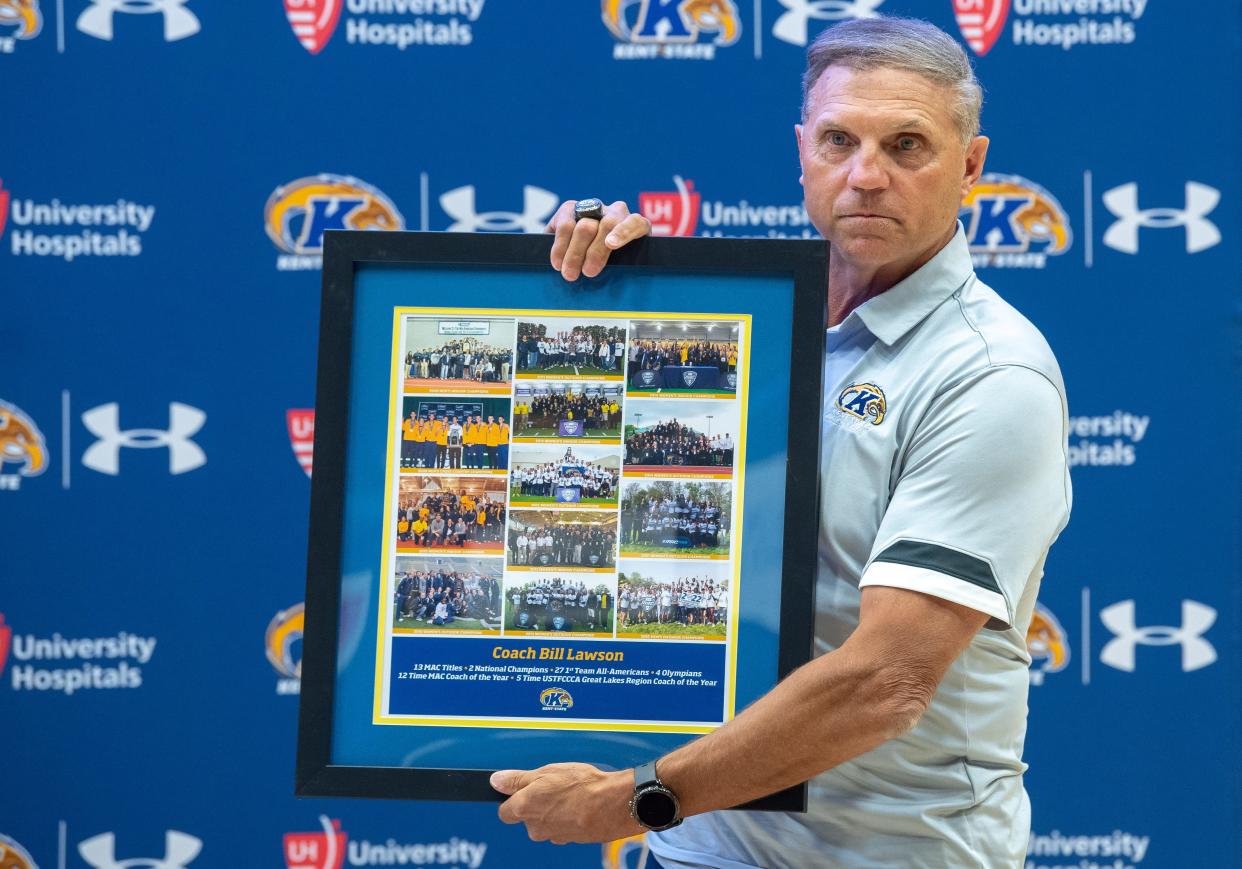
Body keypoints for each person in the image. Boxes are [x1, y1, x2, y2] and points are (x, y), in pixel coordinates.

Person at [490, 16, 1071, 869]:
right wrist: (608, 298)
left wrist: (632, 796)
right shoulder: (740, 331)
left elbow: (886, 681)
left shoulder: (991, 374)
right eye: (840, 139)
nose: (866, 175)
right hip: (699, 844)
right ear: (803, 152)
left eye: (907, 145)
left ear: (972, 166)